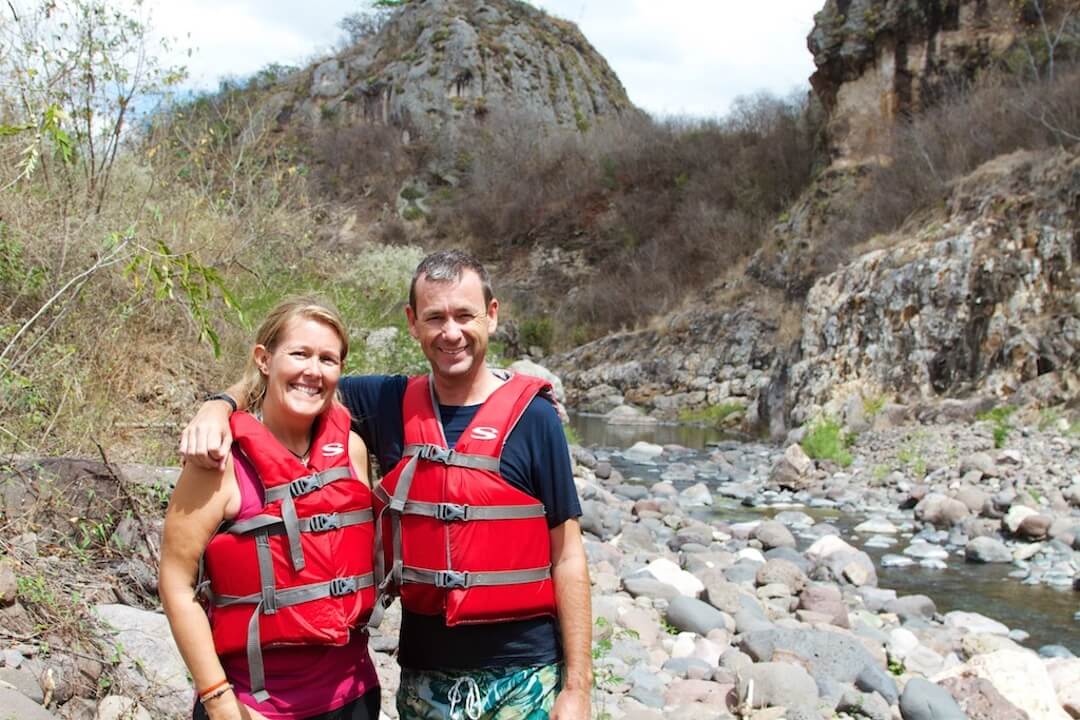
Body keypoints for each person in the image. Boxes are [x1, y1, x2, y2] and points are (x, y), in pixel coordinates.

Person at [181, 250, 592, 720]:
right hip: (424, 679)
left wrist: (577, 688)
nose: (451, 332)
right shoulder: (387, 402)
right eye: (435, 317)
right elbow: (295, 377)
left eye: (464, 315)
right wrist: (218, 405)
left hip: (526, 676)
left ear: (492, 317)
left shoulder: (535, 419)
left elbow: (568, 554)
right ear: (413, 323)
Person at [160, 298, 381, 720]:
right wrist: (218, 698)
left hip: (354, 697)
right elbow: (175, 581)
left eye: (328, 359)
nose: (313, 371)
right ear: (264, 358)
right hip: (254, 706)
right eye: (299, 354)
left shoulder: (351, 447)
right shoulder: (218, 460)